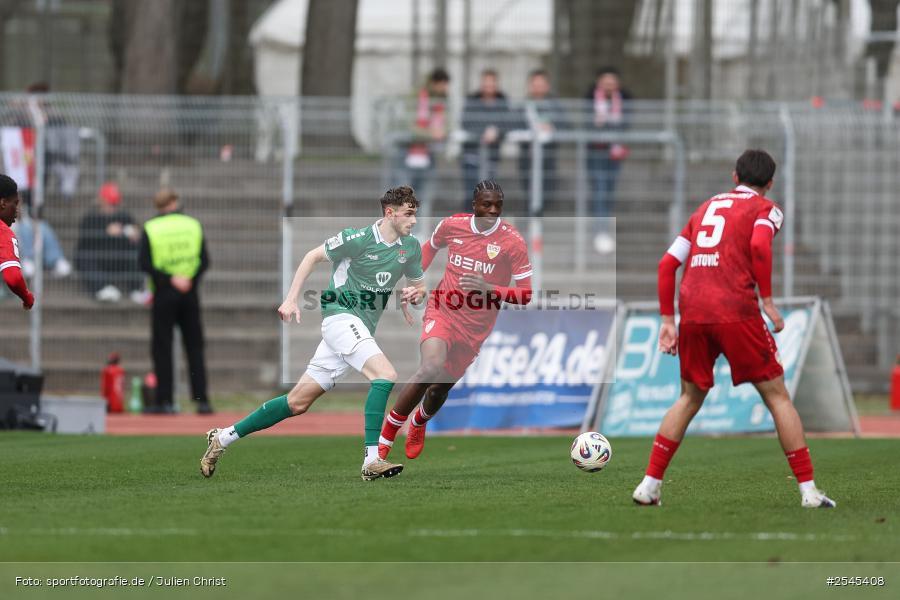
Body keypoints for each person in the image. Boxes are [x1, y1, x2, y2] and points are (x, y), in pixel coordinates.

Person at [631, 149, 836, 509]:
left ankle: (649, 485)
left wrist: (667, 321)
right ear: (770, 184)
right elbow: (759, 243)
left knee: (689, 397)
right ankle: (809, 491)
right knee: (777, 396)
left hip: (693, 311)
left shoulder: (703, 209)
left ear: (734, 176)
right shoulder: (765, 209)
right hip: (736, 310)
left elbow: (667, 265)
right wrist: (768, 300)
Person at [200, 186, 427, 481]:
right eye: (408, 214)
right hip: (340, 317)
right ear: (390, 213)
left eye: (415, 214)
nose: (413, 220)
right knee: (384, 374)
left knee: (297, 403)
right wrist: (291, 298)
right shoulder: (357, 239)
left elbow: (420, 287)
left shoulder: (409, 248)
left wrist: (415, 294)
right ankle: (372, 459)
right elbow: (311, 257)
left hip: (359, 327)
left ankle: (223, 438)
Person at [378, 180, 533, 461]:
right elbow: (429, 248)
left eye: (498, 204)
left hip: (475, 329)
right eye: (486, 204)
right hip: (443, 310)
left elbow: (526, 294)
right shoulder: (452, 225)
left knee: (439, 389)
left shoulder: (513, 242)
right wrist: (415, 281)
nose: (493, 210)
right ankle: (385, 437)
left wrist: (489, 289)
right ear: (474, 205)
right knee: (430, 367)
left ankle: (419, 422)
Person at [138, 188, 212, 415]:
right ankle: (202, 401)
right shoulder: (193, 224)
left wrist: (170, 279)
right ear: (176, 202)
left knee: (162, 348)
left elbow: (145, 263)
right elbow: (205, 260)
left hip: (163, 292)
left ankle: (165, 401)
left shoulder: (151, 228)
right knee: (195, 347)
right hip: (189, 292)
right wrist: (188, 279)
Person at [585, 67, 632, 254]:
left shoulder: (624, 100)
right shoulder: (590, 100)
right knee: (600, 189)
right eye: (605, 81)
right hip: (595, 151)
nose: (609, 85)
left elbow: (627, 122)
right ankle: (601, 230)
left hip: (615, 151)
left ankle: (602, 224)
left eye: (612, 81)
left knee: (608, 190)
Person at [75, 182, 144, 303]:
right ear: (101, 202)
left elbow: (135, 232)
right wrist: (105, 232)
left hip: (119, 260)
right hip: (98, 260)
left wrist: (135, 235)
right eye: (110, 204)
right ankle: (101, 288)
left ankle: (136, 288)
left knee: (136, 251)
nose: (112, 207)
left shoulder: (124, 216)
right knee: (83, 256)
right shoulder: (90, 218)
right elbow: (84, 242)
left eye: (115, 204)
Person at [395, 68, 450, 215]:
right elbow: (410, 125)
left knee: (424, 192)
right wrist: (431, 134)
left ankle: (418, 226)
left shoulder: (443, 100)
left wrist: (443, 132)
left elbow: (447, 122)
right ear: (434, 83)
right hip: (409, 151)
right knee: (405, 192)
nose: (444, 89)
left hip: (429, 152)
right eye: (442, 85)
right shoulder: (417, 97)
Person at [460, 70, 514, 208]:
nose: (488, 86)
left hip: (492, 158)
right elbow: (466, 123)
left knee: (489, 198)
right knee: (471, 195)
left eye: (491, 83)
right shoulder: (472, 101)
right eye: (486, 83)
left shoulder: (503, 102)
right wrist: (482, 133)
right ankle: (468, 228)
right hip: (472, 157)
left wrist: (497, 132)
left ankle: (484, 229)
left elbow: (508, 124)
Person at [518, 69, 568, 213]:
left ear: (547, 86)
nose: (538, 87)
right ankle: (531, 229)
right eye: (535, 84)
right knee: (529, 196)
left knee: (547, 193)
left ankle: (537, 227)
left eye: (541, 84)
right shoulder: (523, 106)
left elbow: (566, 125)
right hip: (528, 158)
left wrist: (552, 126)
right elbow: (514, 126)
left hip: (548, 157)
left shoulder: (555, 106)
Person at [0, 174, 35, 310]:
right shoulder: (3, 232)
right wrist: (27, 297)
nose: (17, 210)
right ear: (3, 203)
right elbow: (13, 277)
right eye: (15, 203)